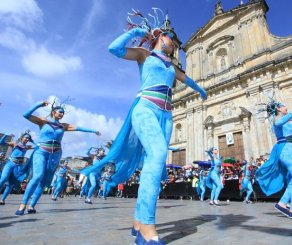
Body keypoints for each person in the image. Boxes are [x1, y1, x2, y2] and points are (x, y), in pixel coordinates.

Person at [81, 9, 206, 245]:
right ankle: (147, 227)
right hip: (146, 108)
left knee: (154, 166)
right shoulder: (144, 55)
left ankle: (138, 221)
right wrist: (138, 32)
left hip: (166, 116)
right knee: (158, 154)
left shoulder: (172, 66)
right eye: (171, 37)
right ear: (161, 36)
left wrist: (201, 91)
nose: (174, 43)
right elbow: (114, 49)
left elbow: (187, 80)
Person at [15, 100, 100, 215]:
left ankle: (32, 206)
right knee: (37, 176)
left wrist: (94, 131)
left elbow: (79, 128)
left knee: (44, 181)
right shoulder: (43, 122)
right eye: (60, 112)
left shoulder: (63, 126)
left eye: (63, 113)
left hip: (55, 154)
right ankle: (22, 205)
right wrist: (39, 104)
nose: (61, 114)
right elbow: (26, 114)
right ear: (54, 112)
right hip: (41, 152)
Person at [255, 99, 292, 220]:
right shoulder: (276, 118)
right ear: (278, 109)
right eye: (284, 106)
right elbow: (278, 123)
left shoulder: (284, 119)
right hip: (286, 149)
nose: (286, 108)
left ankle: (282, 203)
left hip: (291, 149)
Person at [0, 132, 35, 205]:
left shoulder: (27, 146)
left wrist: (32, 141)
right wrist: (6, 135)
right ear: (22, 137)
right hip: (10, 163)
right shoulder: (15, 143)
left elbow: (37, 147)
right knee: (3, 178)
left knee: (10, 184)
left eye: (28, 138)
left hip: (19, 166)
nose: (27, 139)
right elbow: (1, 143)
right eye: (26, 137)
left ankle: (2, 199)